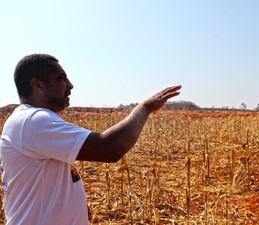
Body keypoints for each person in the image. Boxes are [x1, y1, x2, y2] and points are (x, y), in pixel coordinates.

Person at [0, 53, 181, 225]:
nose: (70, 85)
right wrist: (145, 108)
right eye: (61, 78)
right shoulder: (34, 121)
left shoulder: (27, 121)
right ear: (37, 85)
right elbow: (109, 148)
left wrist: (73, 205)